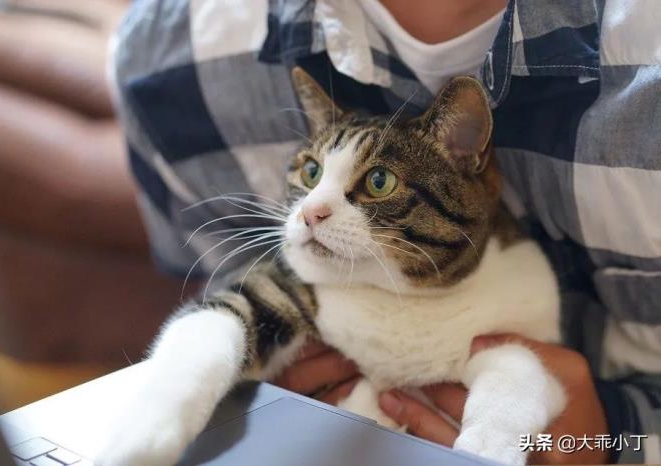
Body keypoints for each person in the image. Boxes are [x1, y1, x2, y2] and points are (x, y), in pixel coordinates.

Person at [110, 0, 661, 463]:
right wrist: (176, 409)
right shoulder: (164, 55)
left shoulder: (513, 286)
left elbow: (515, 372)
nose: (313, 209)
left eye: (376, 182)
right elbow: (222, 320)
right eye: (311, 174)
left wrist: (602, 441)